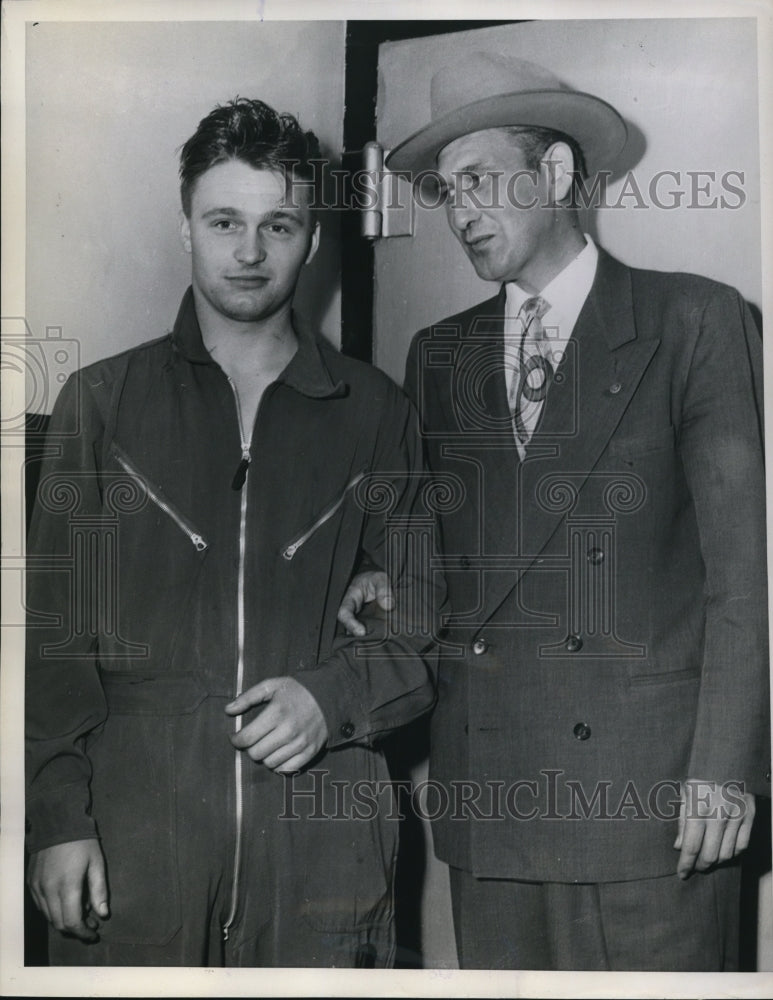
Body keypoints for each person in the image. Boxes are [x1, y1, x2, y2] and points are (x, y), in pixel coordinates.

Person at [339, 52, 769, 970]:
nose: (459, 212)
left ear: (558, 174)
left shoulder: (691, 320)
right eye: (446, 191)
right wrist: (388, 581)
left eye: (481, 180)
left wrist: (723, 771)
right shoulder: (436, 354)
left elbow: (742, 575)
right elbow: (450, 557)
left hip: (649, 804)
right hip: (492, 799)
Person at [25, 98, 442, 968]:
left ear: (312, 240)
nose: (249, 252)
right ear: (187, 228)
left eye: (277, 225)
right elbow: (52, 644)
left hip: (323, 843)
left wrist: (333, 696)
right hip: (140, 840)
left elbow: (421, 634)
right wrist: (58, 820)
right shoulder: (100, 403)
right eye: (224, 222)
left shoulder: (375, 414)